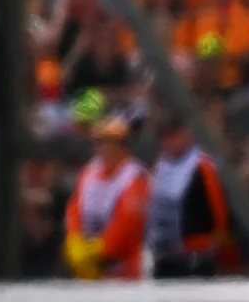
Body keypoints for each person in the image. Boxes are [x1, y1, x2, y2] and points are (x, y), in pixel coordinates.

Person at [63, 117, 150, 279]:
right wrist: (74, 239)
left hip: (123, 266)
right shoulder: (89, 171)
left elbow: (129, 221)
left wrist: (101, 248)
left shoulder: (134, 176)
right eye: (98, 142)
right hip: (88, 262)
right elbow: (75, 206)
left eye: (107, 142)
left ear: (121, 145)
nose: (101, 148)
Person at [147, 117, 229, 277]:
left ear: (185, 135)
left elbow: (219, 210)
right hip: (164, 253)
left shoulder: (202, 165)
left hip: (196, 253)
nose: (169, 143)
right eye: (164, 138)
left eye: (173, 136)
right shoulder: (160, 166)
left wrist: (215, 245)